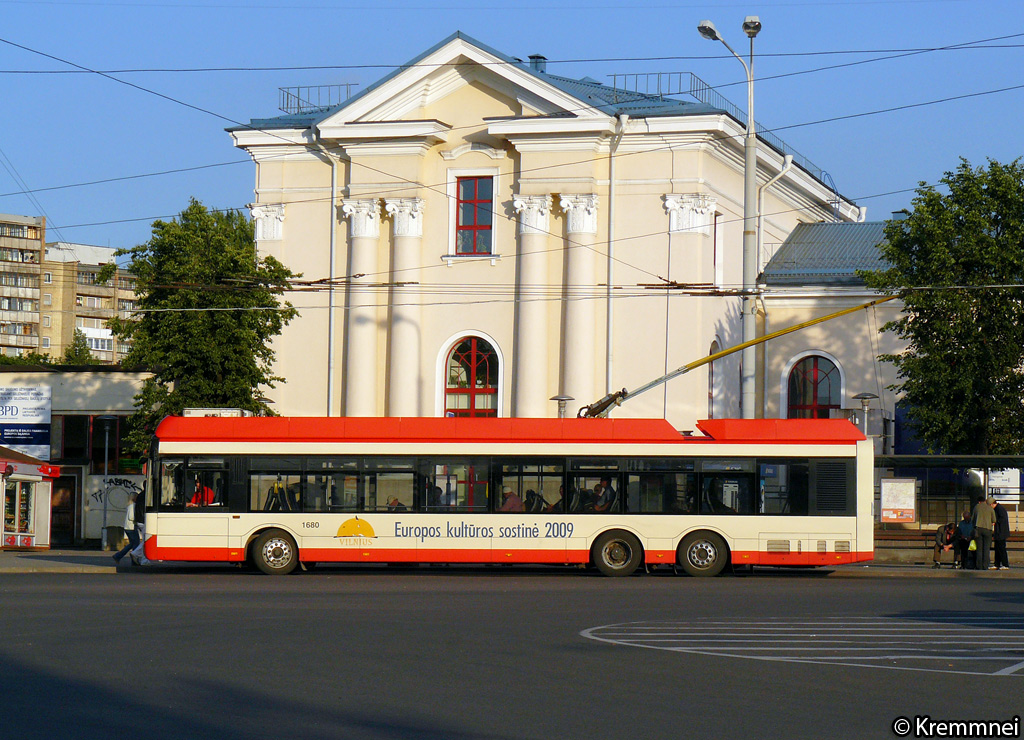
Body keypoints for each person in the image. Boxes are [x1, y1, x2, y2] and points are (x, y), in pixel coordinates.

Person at [112, 491, 143, 567]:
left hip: (128, 527)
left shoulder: (129, 506)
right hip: (131, 527)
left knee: (132, 544)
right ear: (134, 498)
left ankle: (118, 556)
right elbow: (131, 517)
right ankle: (134, 560)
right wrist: (138, 519)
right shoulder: (133, 506)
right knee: (136, 544)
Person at [971, 495, 996, 570]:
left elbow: (973, 519)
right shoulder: (990, 508)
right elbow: (994, 520)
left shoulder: (976, 507)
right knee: (986, 548)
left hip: (978, 529)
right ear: (985, 501)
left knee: (979, 548)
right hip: (988, 529)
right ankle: (985, 565)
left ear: (979, 502)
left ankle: (979, 565)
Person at [992, 497, 1010, 570]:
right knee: (997, 548)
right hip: (999, 532)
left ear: (993, 504)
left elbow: (1002, 519)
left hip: (1001, 532)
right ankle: (997, 564)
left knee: (1001, 549)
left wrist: (995, 521)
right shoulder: (998, 508)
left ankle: (1005, 564)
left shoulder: (1000, 509)